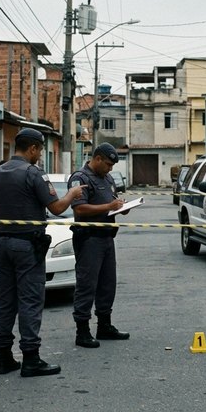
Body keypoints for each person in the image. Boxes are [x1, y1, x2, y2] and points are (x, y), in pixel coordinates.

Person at [0, 128, 86, 377]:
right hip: (27, 246)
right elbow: (58, 207)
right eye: (40, 150)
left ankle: (4, 357)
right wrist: (72, 193)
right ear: (32, 149)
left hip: (5, 243)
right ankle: (30, 358)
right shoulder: (33, 173)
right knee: (30, 300)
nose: (40, 155)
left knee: (6, 301)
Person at [68, 143, 131, 349]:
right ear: (97, 158)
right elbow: (80, 209)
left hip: (106, 237)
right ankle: (82, 331)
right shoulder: (80, 178)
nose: (110, 169)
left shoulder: (107, 179)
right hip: (89, 239)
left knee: (107, 284)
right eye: (108, 164)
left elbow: (111, 202)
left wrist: (120, 208)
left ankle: (104, 325)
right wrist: (108, 207)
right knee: (87, 284)